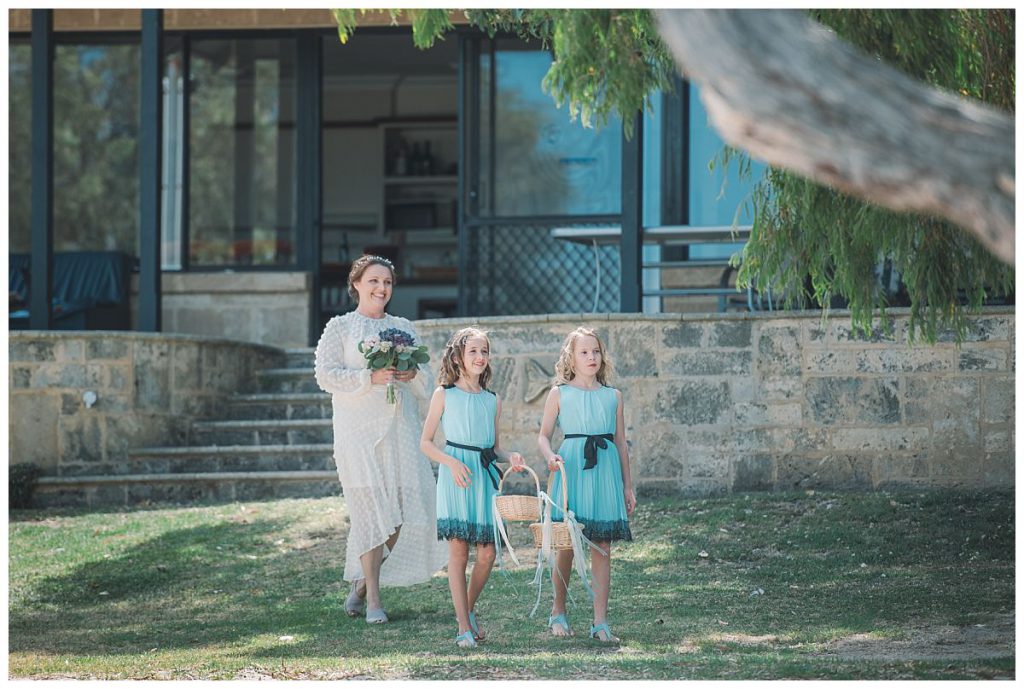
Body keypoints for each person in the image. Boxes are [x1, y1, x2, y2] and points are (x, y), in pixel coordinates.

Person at [314, 254, 447, 624]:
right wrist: (366, 380)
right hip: (357, 432)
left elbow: (426, 378)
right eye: (373, 281)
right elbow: (325, 375)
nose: (381, 288)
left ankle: (359, 584)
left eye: (387, 283)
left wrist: (410, 375)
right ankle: (374, 598)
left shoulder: (403, 326)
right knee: (371, 512)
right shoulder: (340, 327)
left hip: (399, 429)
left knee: (403, 512)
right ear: (356, 284)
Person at [419, 327, 526, 648]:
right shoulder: (444, 394)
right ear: (458, 357)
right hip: (456, 478)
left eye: (484, 351)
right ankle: (464, 625)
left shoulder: (493, 400)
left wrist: (512, 457)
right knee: (458, 551)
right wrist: (451, 463)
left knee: (488, 554)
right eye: (473, 352)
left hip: (485, 478)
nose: (480, 357)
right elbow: (425, 443)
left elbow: (494, 447)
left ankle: (466, 608)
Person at [537, 326, 636, 643]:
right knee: (566, 544)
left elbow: (621, 443)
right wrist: (550, 455)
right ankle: (558, 610)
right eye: (584, 352)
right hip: (572, 471)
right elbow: (543, 435)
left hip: (604, 474)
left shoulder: (613, 396)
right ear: (571, 358)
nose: (591, 357)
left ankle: (600, 622)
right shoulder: (559, 393)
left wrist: (627, 487)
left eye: (596, 351)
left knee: (602, 546)